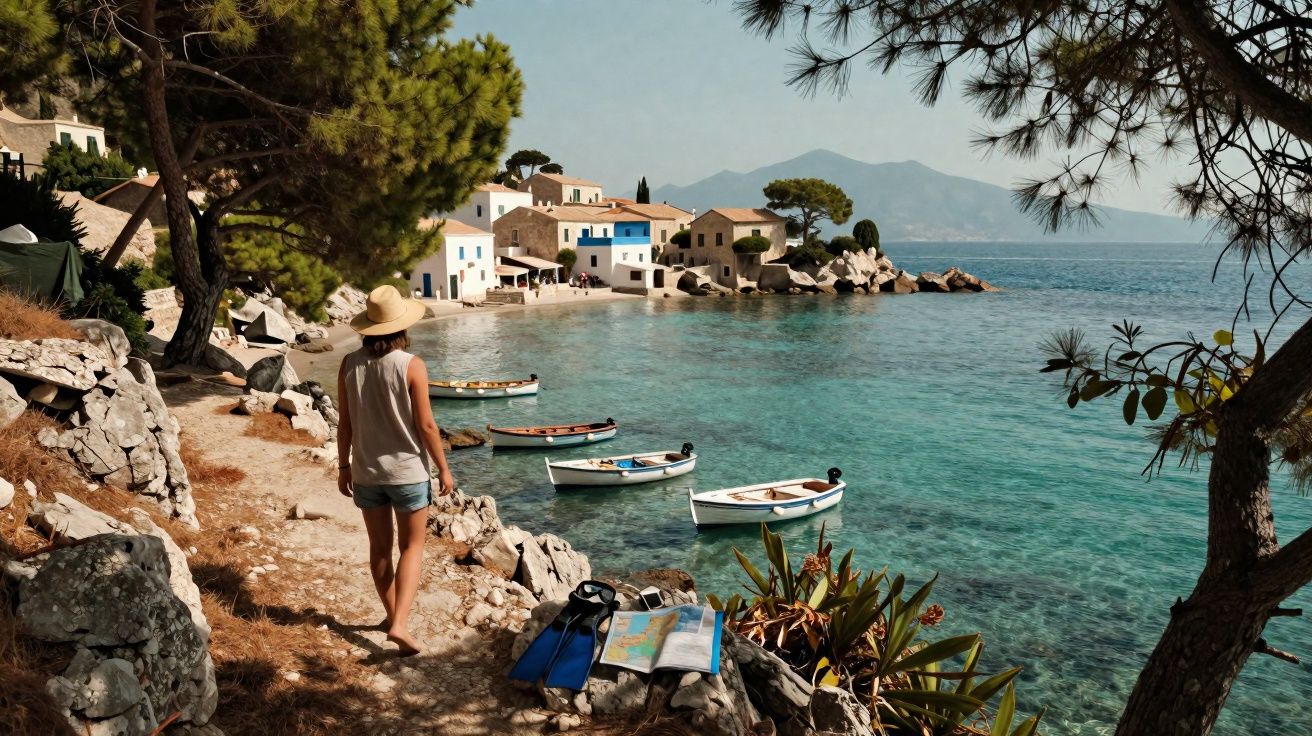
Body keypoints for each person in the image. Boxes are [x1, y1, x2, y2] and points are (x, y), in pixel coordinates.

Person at [337, 285, 455, 656]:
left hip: (366, 473)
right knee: (412, 547)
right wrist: (444, 470)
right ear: (402, 327)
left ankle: (392, 617)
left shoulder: (348, 364)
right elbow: (427, 427)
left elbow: (345, 424)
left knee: (380, 550)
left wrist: (343, 466)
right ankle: (401, 624)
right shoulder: (411, 365)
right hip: (408, 475)